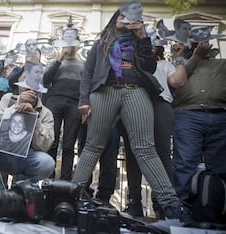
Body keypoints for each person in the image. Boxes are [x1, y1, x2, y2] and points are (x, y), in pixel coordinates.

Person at [72, 3, 184, 220]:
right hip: (104, 92)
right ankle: (72, 195)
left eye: (131, 16)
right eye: (122, 15)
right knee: (93, 146)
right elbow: (87, 74)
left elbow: (150, 68)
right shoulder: (101, 44)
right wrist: (84, 100)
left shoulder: (140, 41)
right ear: (115, 18)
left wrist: (142, 36)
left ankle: (171, 204)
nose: (125, 19)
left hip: (136, 91)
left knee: (146, 148)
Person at [122, 29, 188, 218]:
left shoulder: (164, 64)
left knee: (162, 154)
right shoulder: (131, 64)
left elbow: (178, 82)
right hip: (133, 103)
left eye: (152, 42)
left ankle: (164, 205)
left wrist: (179, 57)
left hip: (159, 104)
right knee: (132, 154)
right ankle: (134, 202)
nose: (148, 45)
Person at [171, 38, 226, 223]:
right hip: (188, 114)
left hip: (220, 113)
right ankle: (181, 212)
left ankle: (216, 209)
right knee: (184, 163)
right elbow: (176, 83)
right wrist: (193, 58)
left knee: (220, 167)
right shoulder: (180, 64)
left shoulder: (221, 64)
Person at [0, 60, 54, 183]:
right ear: (19, 85)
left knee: (47, 162)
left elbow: (44, 146)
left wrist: (34, 117)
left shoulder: (46, 113)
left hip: (25, 158)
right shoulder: (8, 98)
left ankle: (22, 187)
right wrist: (15, 108)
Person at [43, 27, 84, 181]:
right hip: (55, 100)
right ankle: (49, 179)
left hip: (74, 102)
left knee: (69, 144)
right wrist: (59, 59)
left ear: (78, 45)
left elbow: (86, 87)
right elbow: (45, 80)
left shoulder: (83, 65)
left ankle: (65, 181)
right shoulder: (55, 62)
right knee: (51, 141)